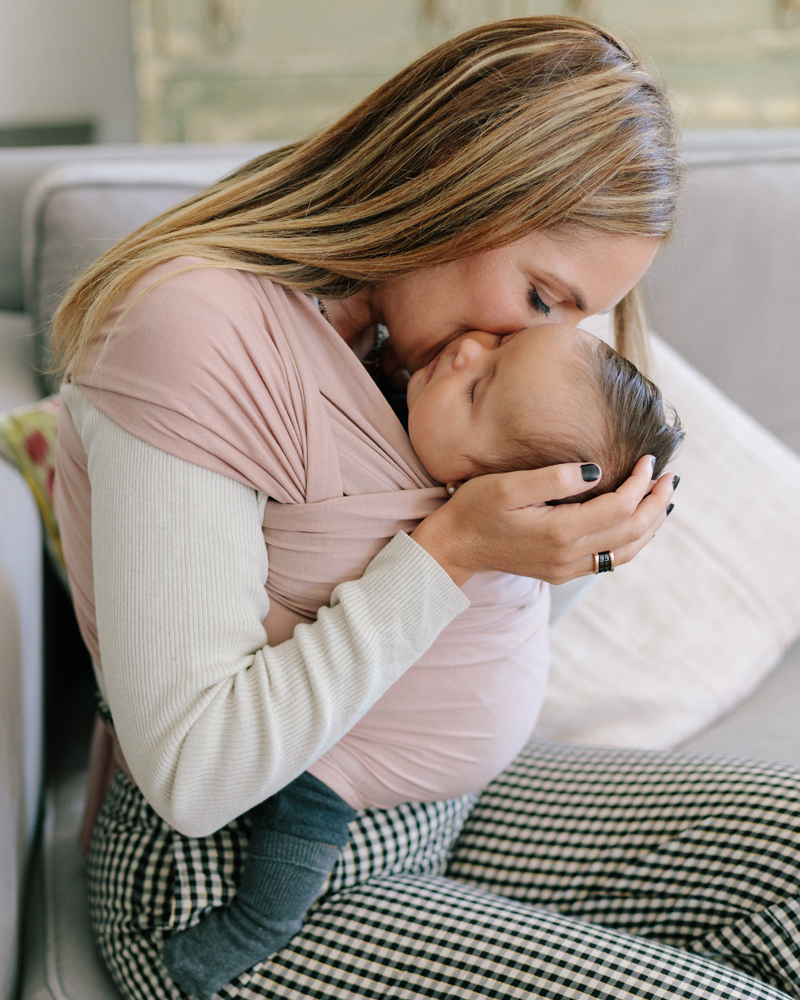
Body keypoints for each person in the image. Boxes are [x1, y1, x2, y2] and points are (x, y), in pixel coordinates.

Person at [51, 16, 800, 1000]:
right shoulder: (200, 326)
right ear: (453, 178)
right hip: (236, 884)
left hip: (436, 804)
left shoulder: (407, 357)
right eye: (539, 294)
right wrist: (446, 550)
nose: (524, 340)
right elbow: (194, 773)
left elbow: (478, 629)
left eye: (567, 317)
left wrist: (573, 548)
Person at [160, 321, 685, 1000]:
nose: (468, 349)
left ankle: (259, 922)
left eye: (478, 387)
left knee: (310, 796)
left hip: (436, 740)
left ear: (498, 492)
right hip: (476, 732)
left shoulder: (410, 506)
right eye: (501, 346)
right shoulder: (435, 467)